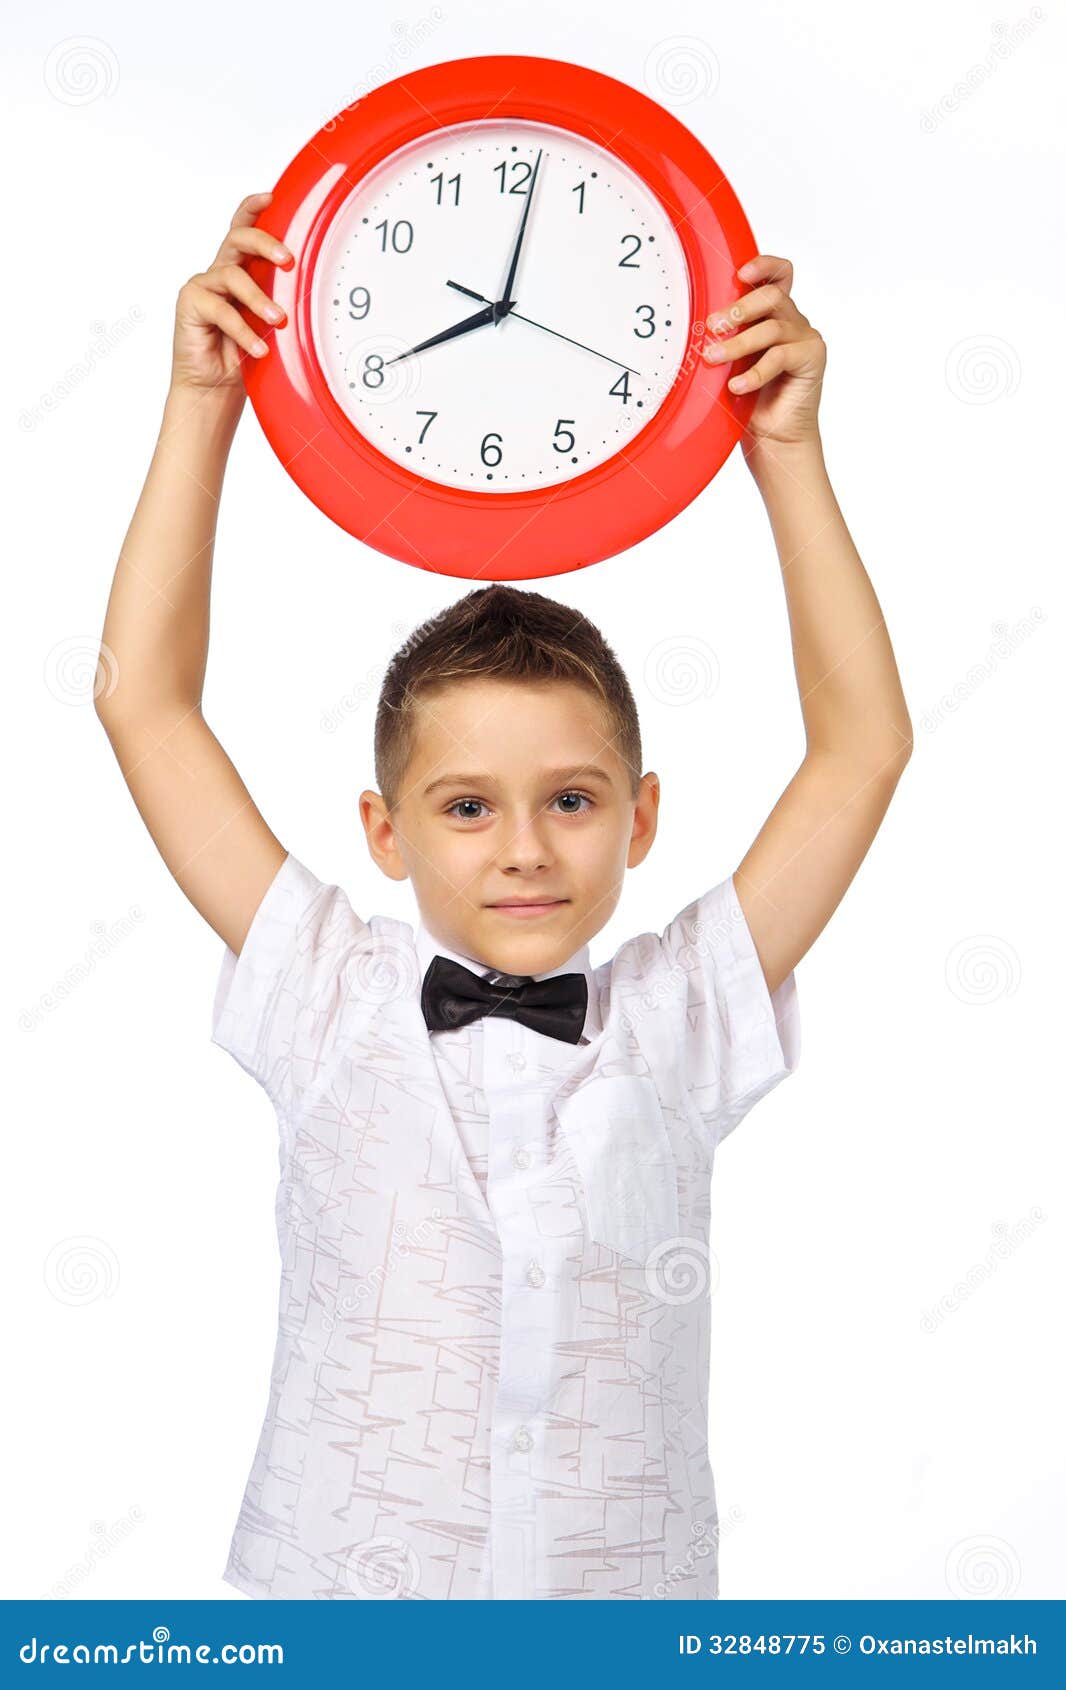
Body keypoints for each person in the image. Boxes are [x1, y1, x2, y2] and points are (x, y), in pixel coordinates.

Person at [94, 191, 912, 1600]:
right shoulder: (324, 990)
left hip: (620, 1619)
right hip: (331, 1614)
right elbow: (143, 706)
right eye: (467, 806)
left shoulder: (684, 1016)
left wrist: (785, 452)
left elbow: (861, 748)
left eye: (572, 798)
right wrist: (201, 406)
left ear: (640, 816)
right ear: (386, 830)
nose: (524, 847)